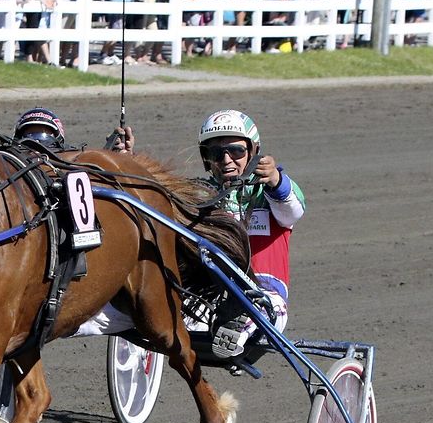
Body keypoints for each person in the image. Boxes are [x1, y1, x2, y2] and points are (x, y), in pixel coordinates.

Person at [117, 109, 305, 360]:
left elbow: (293, 211)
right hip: (208, 298)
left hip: (264, 296)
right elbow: (155, 197)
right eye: (217, 153)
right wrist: (126, 162)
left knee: (263, 308)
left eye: (236, 151)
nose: (227, 159)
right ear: (207, 159)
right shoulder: (200, 193)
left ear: (253, 151)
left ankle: (240, 324)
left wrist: (275, 179)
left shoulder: (269, 195)